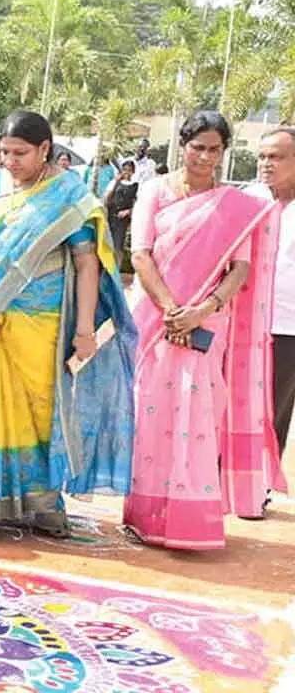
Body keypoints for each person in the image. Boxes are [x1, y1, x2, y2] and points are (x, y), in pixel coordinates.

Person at [0, 110, 137, 537]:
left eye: (20, 153)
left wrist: (85, 329)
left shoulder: (68, 195)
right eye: (4, 152)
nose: (9, 161)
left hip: (43, 326)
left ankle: (43, 506)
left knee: (40, 413)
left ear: (45, 149)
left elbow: (88, 265)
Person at [124, 111, 287, 549]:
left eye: (215, 149)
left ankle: (190, 518)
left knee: (198, 418)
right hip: (159, 319)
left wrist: (202, 309)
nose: (205, 156)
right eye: (198, 147)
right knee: (151, 415)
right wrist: (173, 309)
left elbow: (241, 269)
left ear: (224, 152)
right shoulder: (154, 190)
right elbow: (140, 255)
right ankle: (144, 514)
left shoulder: (235, 207)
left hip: (208, 322)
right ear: (183, 145)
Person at [249, 129, 295, 461]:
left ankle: (261, 483)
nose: (267, 163)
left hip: (287, 324)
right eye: (263, 156)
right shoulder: (248, 200)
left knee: (275, 406)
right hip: (242, 320)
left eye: (276, 157)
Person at [103, 160, 138, 269]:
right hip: (110, 215)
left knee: (118, 244)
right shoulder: (114, 182)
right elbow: (106, 198)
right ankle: (105, 267)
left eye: (129, 170)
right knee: (107, 242)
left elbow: (138, 203)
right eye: (124, 169)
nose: (126, 172)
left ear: (133, 172)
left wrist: (128, 211)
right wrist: (115, 182)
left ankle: (116, 269)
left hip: (122, 219)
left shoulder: (135, 186)